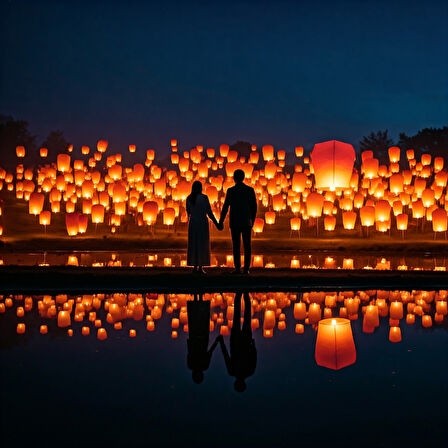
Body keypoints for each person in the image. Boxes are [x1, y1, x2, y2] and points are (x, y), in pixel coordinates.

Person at [218, 169, 257, 274]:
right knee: (247, 245)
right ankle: (246, 269)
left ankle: (238, 268)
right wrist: (252, 220)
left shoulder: (231, 191)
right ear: (243, 178)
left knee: (236, 245)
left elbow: (225, 207)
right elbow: (254, 207)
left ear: (234, 178)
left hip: (235, 221)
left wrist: (220, 221)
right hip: (246, 221)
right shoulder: (249, 190)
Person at [218, 292, 257, 392]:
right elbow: (226, 355)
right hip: (237, 342)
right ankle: (240, 294)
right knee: (237, 316)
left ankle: (244, 294)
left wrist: (253, 345)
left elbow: (254, 356)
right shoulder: (234, 371)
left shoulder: (249, 371)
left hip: (244, 342)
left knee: (246, 317)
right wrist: (221, 342)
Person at [186, 180, 219, 274]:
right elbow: (209, 212)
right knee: (202, 243)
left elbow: (188, 213)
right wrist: (216, 223)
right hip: (202, 222)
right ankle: (200, 267)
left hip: (193, 222)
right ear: (201, 188)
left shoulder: (189, 198)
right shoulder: (204, 198)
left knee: (194, 243)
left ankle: (194, 266)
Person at [186, 293, 220, 384]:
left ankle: (198, 297)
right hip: (195, 339)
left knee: (201, 319)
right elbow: (190, 353)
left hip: (201, 340)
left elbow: (209, 352)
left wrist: (216, 342)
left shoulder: (203, 365)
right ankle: (196, 297)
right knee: (196, 320)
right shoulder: (193, 365)